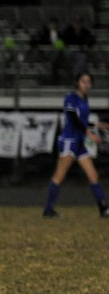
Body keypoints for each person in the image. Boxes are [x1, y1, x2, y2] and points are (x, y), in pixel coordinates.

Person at [43, 72, 109, 219]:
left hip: (79, 142)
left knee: (93, 175)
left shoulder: (85, 99)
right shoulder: (71, 98)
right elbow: (73, 118)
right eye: (83, 81)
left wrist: (96, 125)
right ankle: (48, 210)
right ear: (77, 83)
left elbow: (82, 120)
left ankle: (103, 209)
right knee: (59, 176)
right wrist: (89, 133)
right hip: (69, 140)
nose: (86, 84)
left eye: (88, 82)